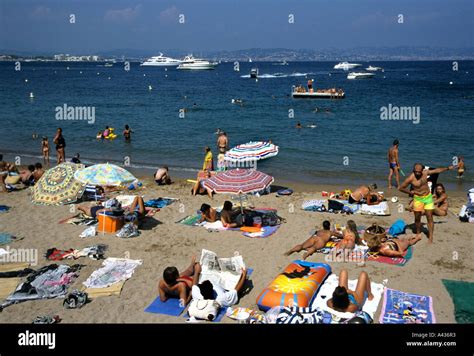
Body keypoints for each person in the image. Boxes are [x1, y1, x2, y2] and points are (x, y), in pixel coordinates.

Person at [399, 163, 455, 243]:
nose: (417, 173)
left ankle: (430, 236)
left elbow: (437, 170)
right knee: (417, 218)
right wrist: (412, 193)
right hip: (418, 199)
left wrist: (448, 168)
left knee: (429, 217)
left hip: (428, 197)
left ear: (422, 170)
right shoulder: (410, 178)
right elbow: (401, 188)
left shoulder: (425, 173)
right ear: (413, 170)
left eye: (419, 171)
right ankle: (418, 233)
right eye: (415, 171)